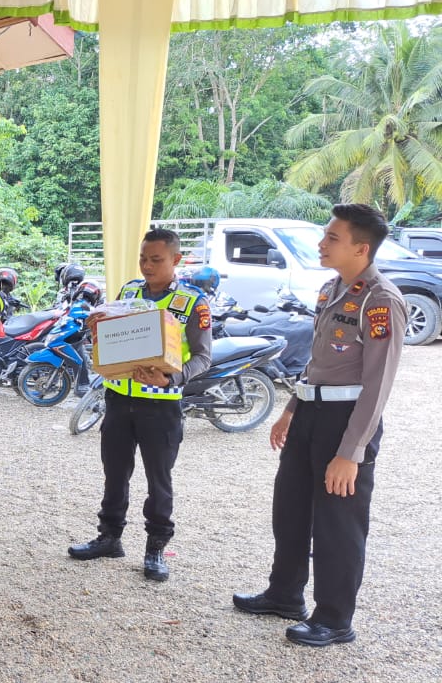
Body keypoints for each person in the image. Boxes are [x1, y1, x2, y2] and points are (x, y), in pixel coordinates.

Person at [233, 204, 406, 647]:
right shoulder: (333, 289)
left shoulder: (380, 301)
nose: (321, 244)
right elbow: (319, 363)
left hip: (345, 423)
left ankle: (334, 618)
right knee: (289, 509)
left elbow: (377, 385)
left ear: (360, 248)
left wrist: (351, 453)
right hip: (310, 412)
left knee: (337, 523)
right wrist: (292, 409)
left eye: (332, 238)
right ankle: (285, 595)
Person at [67, 229, 212, 582]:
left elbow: (204, 357)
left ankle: (156, 548)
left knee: (158, 480)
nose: (147, 265)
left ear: (176, 260)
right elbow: (110, 337)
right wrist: (95, 326)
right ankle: (109, 537)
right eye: (143, 258)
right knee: (114, 473)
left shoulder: (193, 303)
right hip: (118, 399)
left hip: (160, 407)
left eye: (156, 260)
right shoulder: (129, 291)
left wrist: (172, 379)